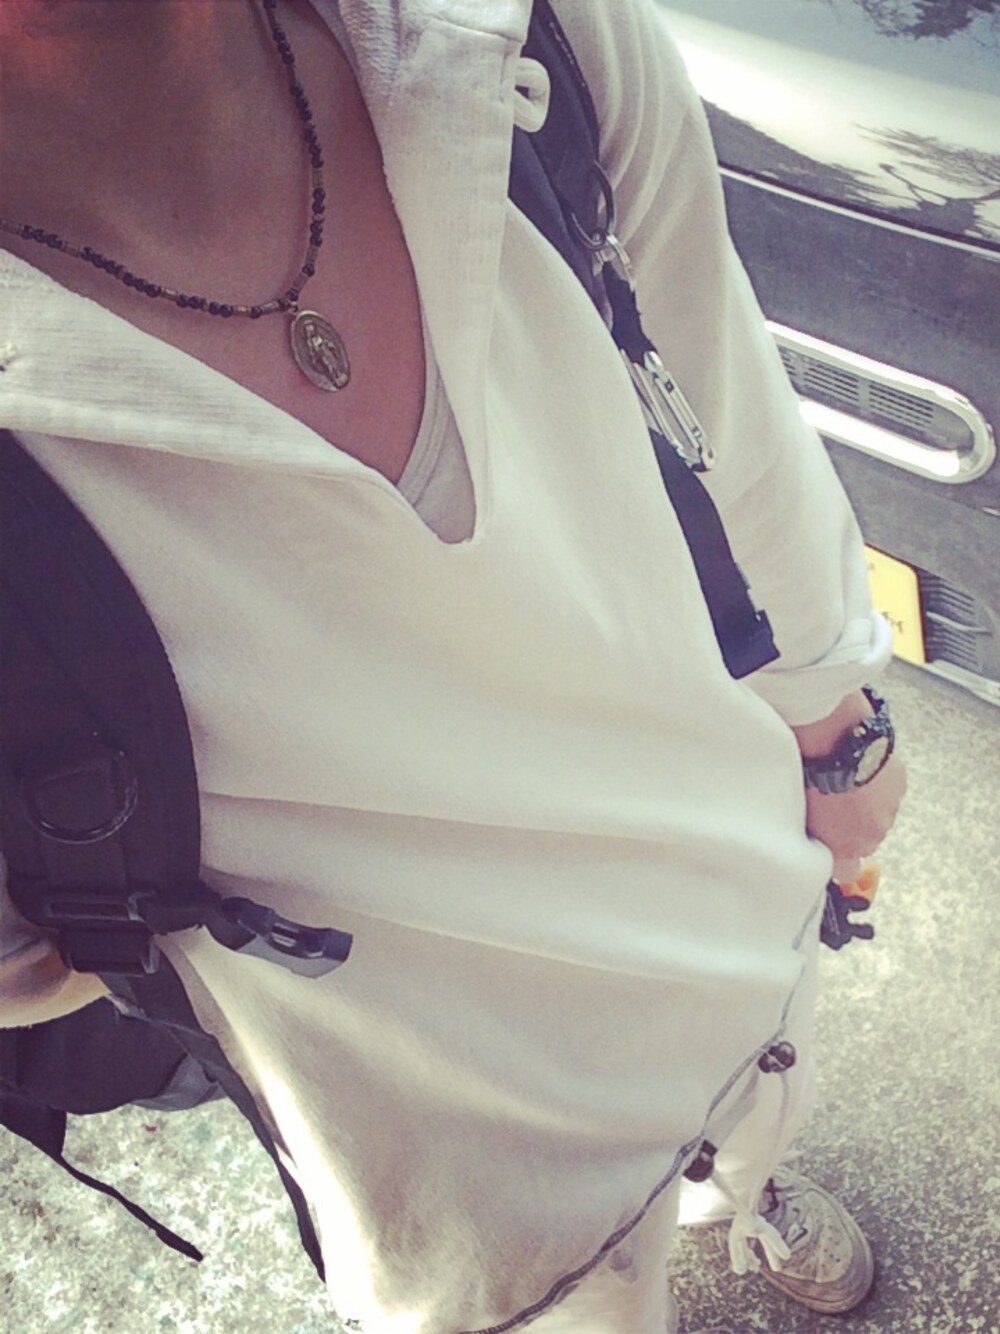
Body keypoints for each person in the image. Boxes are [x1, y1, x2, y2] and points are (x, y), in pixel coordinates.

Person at [0, 1, 907, 1330]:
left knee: (763, 1114)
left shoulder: (532, 35)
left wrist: (836, 729)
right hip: (489, 1188)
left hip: (742, 922)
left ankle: (742, 1191)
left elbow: (725, 410)